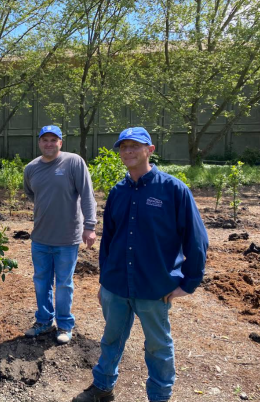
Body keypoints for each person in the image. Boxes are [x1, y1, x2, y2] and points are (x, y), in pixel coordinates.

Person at [72, 127, 209, 402]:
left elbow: (196, 239)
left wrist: (189, 282)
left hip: (154, 287)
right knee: (111, 339)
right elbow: (108, 241)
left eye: (135, 146)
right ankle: (102, 387)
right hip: (117, 285)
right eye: (124, 147)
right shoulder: (118, 192)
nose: (129, 151)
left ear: (150, 150)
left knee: (158, 347)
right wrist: (104, 282)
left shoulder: (173, 190)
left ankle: (159, 396)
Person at [23, 125, 97, 345]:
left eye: (53, 140)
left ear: (60, 143)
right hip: (40, 238)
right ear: (39, 143)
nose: (49, 144)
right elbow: (31, 193)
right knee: (41, 281)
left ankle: (64, 324)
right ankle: (44, 321)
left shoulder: (74, 162)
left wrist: (90, 225)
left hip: (67, 238)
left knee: (64, 283)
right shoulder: (31, 168)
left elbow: (87, 194)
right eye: (45, 140)